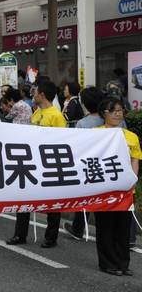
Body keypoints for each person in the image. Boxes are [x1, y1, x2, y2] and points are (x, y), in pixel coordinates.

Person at [11, 80, 67, 248]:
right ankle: (20, 235)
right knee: (24, 200)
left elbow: (61, 141)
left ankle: (51, 237)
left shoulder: (56, 115)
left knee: (52, 202)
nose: (32, 95)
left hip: (49, 164)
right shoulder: (36, 113)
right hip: (31, 163)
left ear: (42, 94)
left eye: (35, 92)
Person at [94, 97, 140, 276]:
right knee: (105, 227)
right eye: (113, 110)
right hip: (103, 189)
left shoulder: (131, 136)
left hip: (126, 190)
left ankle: (123, 263)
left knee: (123, 228)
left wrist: (132, 179)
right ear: (103, 113)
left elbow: (135, 159)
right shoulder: (94, 133)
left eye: (120, 110)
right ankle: (107, 263)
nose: (117, 114)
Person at [64, 87, 105, 239]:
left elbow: (78, 147)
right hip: (111, 164)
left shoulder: (82, 123)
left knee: (86, 198)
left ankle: (78, 229)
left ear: (85, 104)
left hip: (90, 164)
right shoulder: (112, 119)